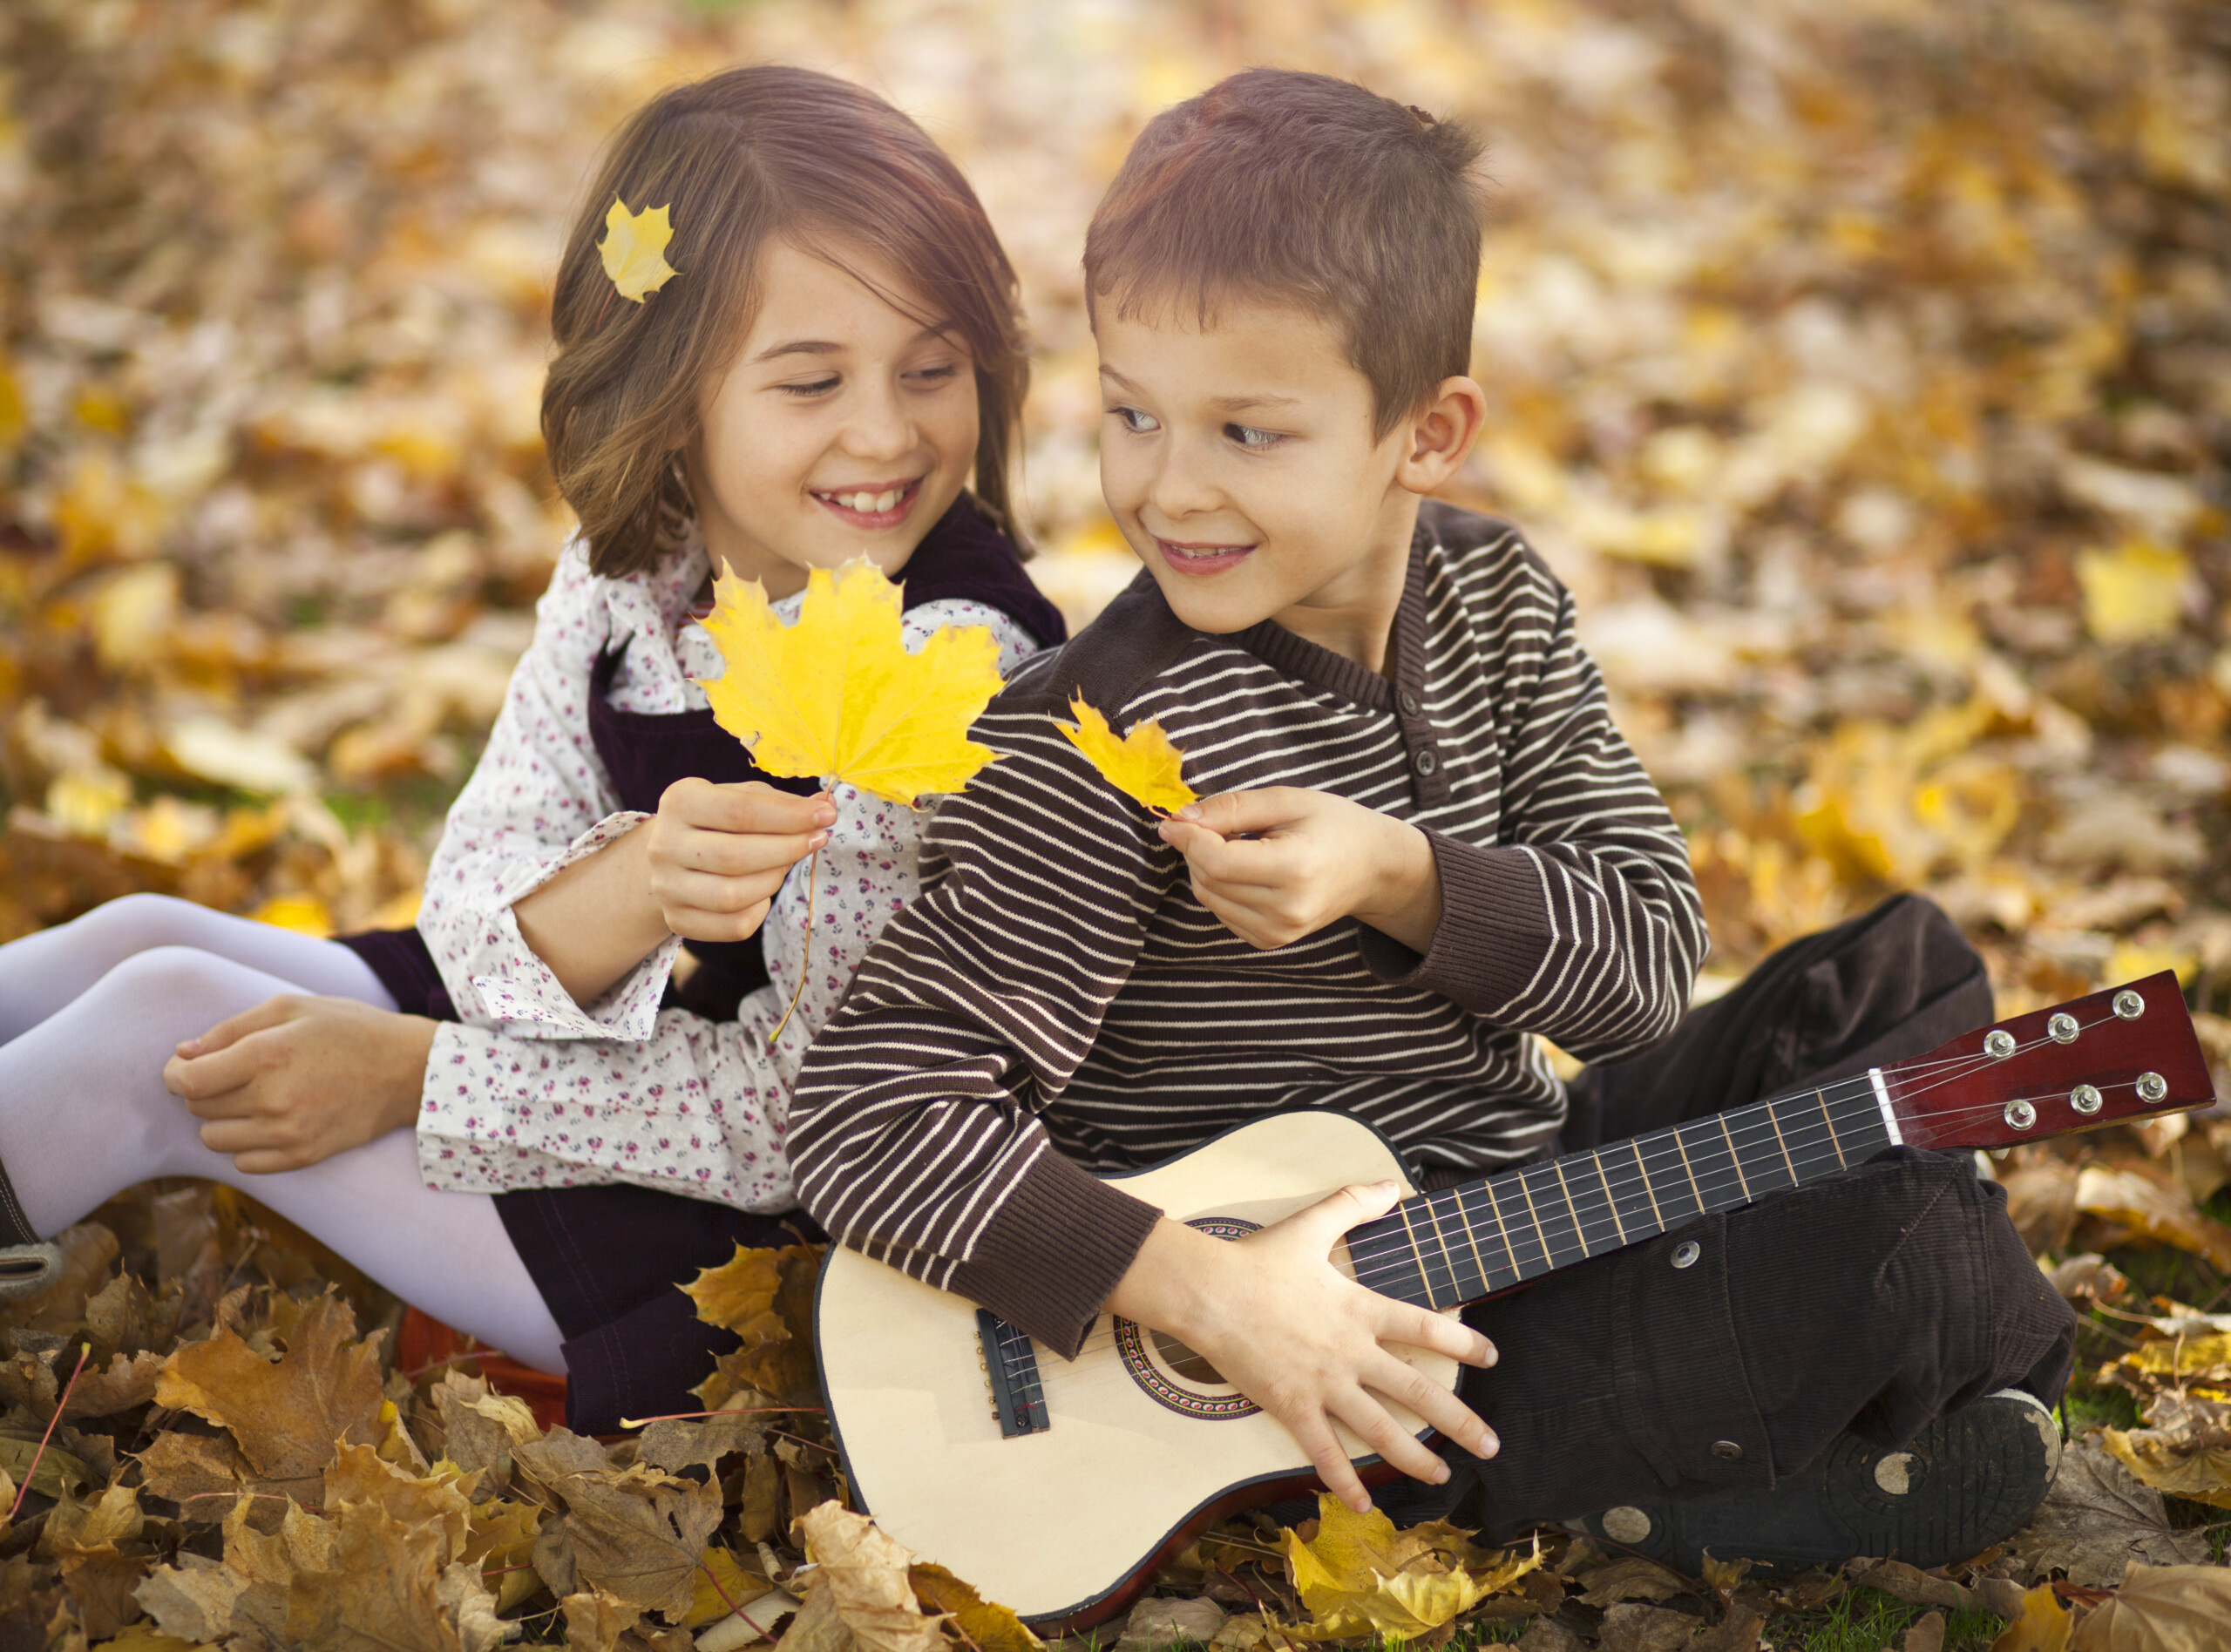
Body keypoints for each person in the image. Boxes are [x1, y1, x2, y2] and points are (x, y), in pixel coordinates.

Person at [788, 68, 2074, 1570]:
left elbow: (1645, 982)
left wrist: (1406, 879)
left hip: (1514, 1173)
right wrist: (1217, 1301)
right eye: (1131, 413)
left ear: (1428, 430)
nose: (1167, 485)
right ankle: (1753, 1434)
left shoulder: (1500, 604)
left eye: (1247, 434)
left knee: (1901, 978)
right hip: (1355, 1343)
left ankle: (1817, 1325)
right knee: (1908, 1246)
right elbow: (869, 1118)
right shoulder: (1099, 748)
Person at [0, 66, 1063, 1432]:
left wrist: (418, 1076)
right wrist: (624, 895)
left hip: (780, 1249)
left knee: (163, 1036)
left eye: (934, 369)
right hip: (608, 1071)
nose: (889, 430)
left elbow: (814, 1116)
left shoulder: (944, 673)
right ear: (674, 399)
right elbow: (471, 903)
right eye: (813, 382)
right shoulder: (645, 580)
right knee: (133, 938)